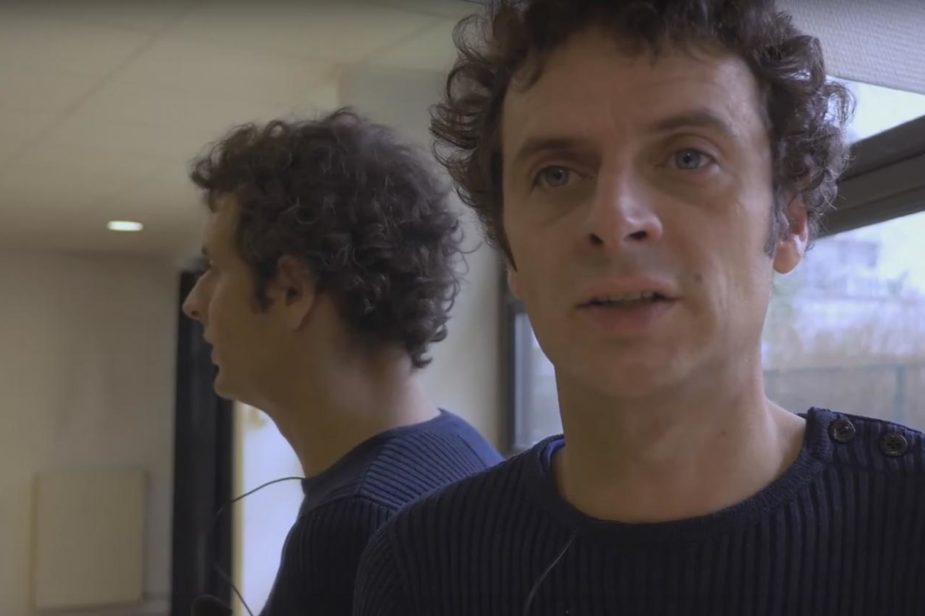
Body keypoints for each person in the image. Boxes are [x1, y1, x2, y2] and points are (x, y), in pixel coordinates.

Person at [353, 1, 925, 614]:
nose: (614, 218)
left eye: (688, 158)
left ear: (790, 222)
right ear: (511, 252)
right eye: (556, 175)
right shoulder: (423, 567)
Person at [182, 108, 502, 616]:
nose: (194, 303)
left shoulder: (354, 523)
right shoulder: (460, 448)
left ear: (292, 291)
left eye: (216, 269)